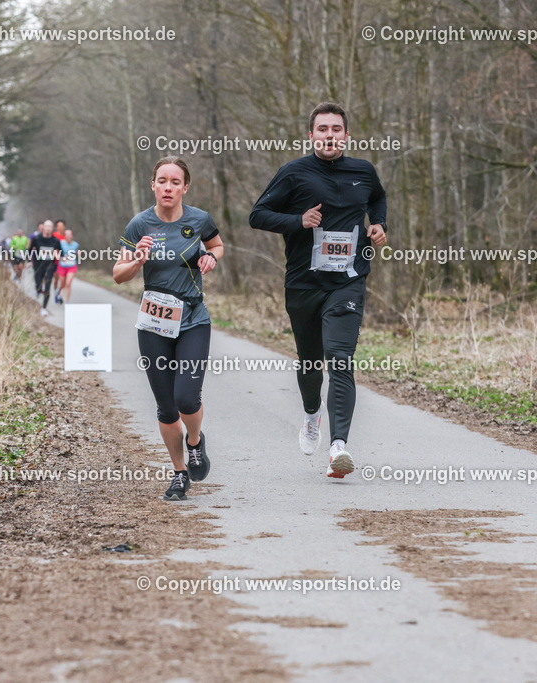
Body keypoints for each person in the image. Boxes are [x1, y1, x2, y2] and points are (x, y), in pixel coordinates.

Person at [249, 102, 388, 479]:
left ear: (346, 134)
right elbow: (257, 215)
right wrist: (299, 220)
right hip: (303, 284)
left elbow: (377, 197)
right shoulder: (293, 173)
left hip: (348, 281)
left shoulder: (363, 171)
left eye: (336, 129)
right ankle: (312, 414)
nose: (330, 135)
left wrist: (378, 224)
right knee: (311, 363)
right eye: (322, 129)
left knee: (339, 358)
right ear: (311, 135)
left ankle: (338, 447)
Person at [114, 156, 224, 501]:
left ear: (185, 187)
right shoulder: (139, 225)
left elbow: (217, 244)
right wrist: (137, 260)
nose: (168, 187)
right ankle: (179, 474)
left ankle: (195, 442)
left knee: (187, 399)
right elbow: (118, 274)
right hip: (154, 324)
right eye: (162, 180)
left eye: (175, 182)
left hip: (192, 319)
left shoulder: (199, 220)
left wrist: (212, 258)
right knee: (165, 407)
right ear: (153, 185)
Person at [30, 220, 61, 316]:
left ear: (52, 229)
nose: (48, 228)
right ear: (43, 228)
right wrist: (28, 261)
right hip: (38, 265)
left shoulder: (55, 241)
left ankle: (44, 308)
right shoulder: (36, 239)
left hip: (49, 266)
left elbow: (60, 252)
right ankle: (39, 289)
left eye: (50, 227)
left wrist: (60, 257)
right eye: (46, 226)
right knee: (38, 286)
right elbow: (30, 250)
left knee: (47, 288)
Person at [55, 228, 79, 304]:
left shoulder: (75, 244)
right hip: (62, 265)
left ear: (72, 236)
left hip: (71, 265)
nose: (68, 236)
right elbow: (55, 252)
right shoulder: (61, 243)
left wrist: (78, 254)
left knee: (68, 283)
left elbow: (77, 253)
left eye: (69, 235)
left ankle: (67, 301)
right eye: (66, 235)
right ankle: (60, 294)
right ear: (64, 236)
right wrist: (59, 257)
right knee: (62, 283)